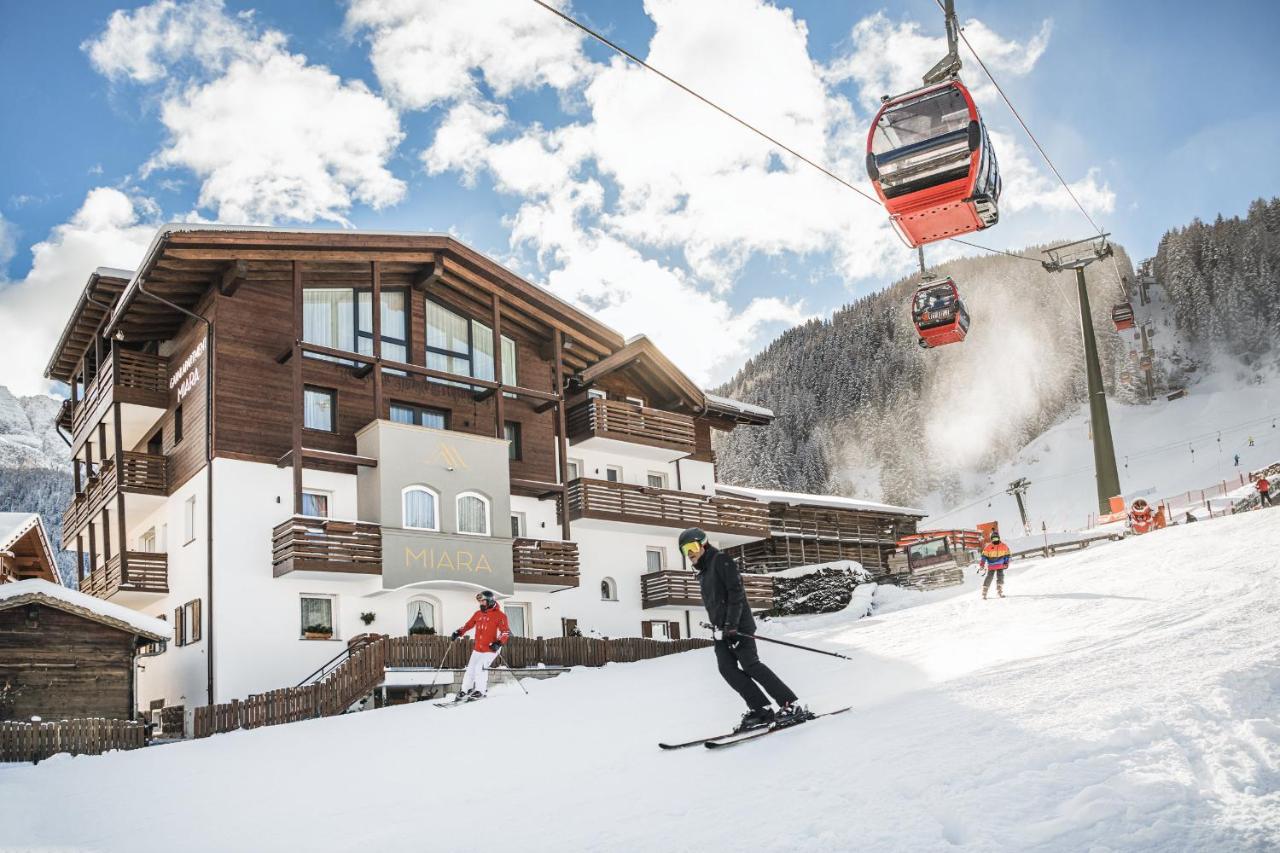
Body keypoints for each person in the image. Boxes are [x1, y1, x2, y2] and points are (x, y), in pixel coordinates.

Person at [679, 527, 807, 731]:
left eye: (693, 547)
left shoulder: (721, 561)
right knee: (727, 669)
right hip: (721, 631)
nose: (690, 553)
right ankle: (761, 709)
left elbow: (736, 594)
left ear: (703, 544)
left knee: (751, 665)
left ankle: (790, 705)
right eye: (685, 550)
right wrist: (719, 628)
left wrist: (732, 626)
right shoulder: (703, 573)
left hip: (738, 626)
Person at [449, 590, 510, 701]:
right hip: (478, 648)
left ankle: (480, 691)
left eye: (483, 601)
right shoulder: (478, 614)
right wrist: (458, 632)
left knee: (480, 667)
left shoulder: (500, 616)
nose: (481, 603)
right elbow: (468, 625)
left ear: (490, 601)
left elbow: (505, 632)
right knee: (470, 669)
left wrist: (499, 643)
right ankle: (465, 690)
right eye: (480, 601)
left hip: (491, 648)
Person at [979, 532, 1011, 599]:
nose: (995, 540)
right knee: (989, 577)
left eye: (996, 538)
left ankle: (999, 591)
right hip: (991, 565)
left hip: (1000, 565)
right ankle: (984, 592)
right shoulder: (988, 547)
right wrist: (982, 564)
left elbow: (1007, 555)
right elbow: (984, 556)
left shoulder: (1003, 546)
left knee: (1000, 577)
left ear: (999, 538)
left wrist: (1006, 563)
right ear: (991, 539)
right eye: (993, 539)